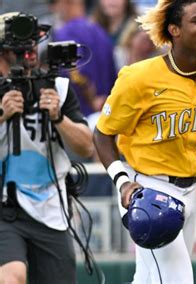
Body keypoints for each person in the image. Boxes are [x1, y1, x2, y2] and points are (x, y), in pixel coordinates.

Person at [93, 0, 196, 283]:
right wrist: (122, 182)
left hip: (191, 186)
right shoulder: (138, 77)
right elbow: (103, 133)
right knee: (177, 278)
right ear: (174, 30)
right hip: (147, 189)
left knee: (148, 278)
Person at [0, 12, 94, 284]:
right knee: (12, 277)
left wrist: (58, 118)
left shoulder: (58, 88)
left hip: (50, 208)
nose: (27, 52)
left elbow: (87, 147)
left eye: (32, 44)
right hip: (5, 208)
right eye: (18, 47)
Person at [51, 0, 117, 117]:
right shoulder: (99, 30)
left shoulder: (65, 33)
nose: (52, 9)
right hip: (107, 113)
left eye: (54, 3)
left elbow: (76, 71)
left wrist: (92, 99)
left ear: (66, 3)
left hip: (83, 115)